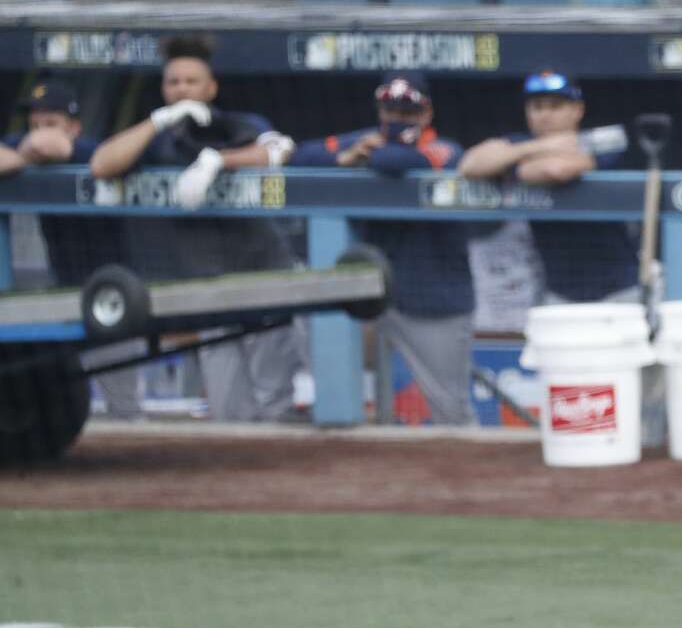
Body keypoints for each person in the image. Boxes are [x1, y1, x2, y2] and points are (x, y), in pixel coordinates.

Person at [89, 34, 302, 423]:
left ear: (211, 86)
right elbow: (102, 165)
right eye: (174, 82)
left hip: (264, 275)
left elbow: (279, 149)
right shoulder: (157, 139)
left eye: (191, 81)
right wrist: (157, 121)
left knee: (275, 404)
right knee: (226, 408)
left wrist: (217, 161)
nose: (183, 89)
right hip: (208, 286)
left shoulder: (236, 124)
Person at [289, 72, 477, 426]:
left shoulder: (444, 147)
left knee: (450, 411)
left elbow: (396, 163)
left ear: (426, 113)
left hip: (434, 298)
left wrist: (371, 152)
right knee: (327, 374)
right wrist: (344, 159)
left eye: (408, 111)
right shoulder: (364, 141)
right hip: (369, 293)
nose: (397, 118)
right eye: (390, 109)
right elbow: (300, 157)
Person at [1, 79, 143, 418]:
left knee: (124, 405)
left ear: (74, 127)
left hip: (113, 293)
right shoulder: (25, 150)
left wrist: (31, 150)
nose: (40, 133)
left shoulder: (93, 149)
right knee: (61, 396)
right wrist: (23, 154)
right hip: (64, 293)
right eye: (34, 124)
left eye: (51, 124)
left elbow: (66, 151)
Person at [458, 67, 639, 305]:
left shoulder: (606, 139)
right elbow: (469, 164)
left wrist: (510, 167)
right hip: (560, 290)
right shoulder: (522, 144)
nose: (545, 115)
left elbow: (557, 170)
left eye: (555, 106)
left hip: (618, 288)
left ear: (577, 110)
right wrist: (533, 149)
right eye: (537, 107)